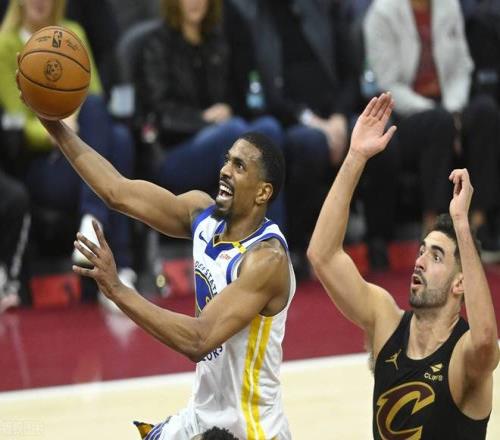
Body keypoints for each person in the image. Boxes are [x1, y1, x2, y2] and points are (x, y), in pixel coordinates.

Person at [21, 78, 295, 439]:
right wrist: (53, 123)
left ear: (263, 193)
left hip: (252, 430)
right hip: (202, 418)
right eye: (228, 160)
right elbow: (117, 191)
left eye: (240, 166)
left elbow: (198, 340)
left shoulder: (266, 260)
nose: (226, 170)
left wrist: (118, 290)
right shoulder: (202, 215)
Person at [308, 92, 499, 438]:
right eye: (421, 251)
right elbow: (323, 255)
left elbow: (487, 341)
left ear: (460, 283)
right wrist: (355, 157)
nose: (420, 261)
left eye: (436, 256)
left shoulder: (463, 354)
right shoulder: (386, 321)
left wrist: (461, 224)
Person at [0, 0, 137, 304]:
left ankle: (94, 221)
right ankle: (120, 268)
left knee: (115, 132)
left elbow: (93, 97)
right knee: (118, 145)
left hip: (80, 149)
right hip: (42, 162)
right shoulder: (5, 43)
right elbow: (16, 124)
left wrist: (74, 124)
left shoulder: (73, 32)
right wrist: (57, 127)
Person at [362, 0, 500, 266]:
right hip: (405, 113)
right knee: (438, 123)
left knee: (485, 112)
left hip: (449, 103)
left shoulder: (449, 5)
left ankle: (479, 225)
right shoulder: (382, 12)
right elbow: (387, 82)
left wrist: (453, 109)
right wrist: (440, 114)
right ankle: (433, 229)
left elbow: (462, 68)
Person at [134, 0, 285, 227]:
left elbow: (238, 95)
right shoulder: (157, 45)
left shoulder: (217, 41)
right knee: (233, 134)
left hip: (222, 134)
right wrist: (203, 120)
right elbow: (159, 114)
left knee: (268, 129)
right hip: (173, 150)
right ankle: (236, 236)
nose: (195, 2)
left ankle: (272, 235)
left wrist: (229, 108)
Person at [239, 0, 359, 277]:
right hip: (288, 120)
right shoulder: (250, 17)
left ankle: (375, 242)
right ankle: (301, 241)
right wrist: (310, 120)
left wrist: (339, 117)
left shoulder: (322, 8)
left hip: (336, 115)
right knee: (310, 144)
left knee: (377, 135)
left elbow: (351, 74)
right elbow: (260, 93)